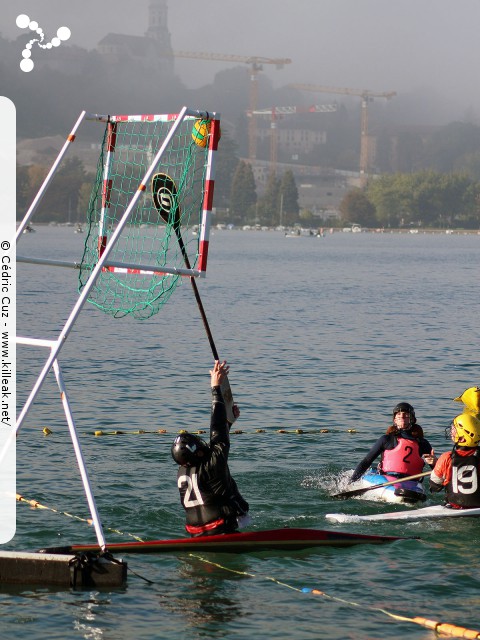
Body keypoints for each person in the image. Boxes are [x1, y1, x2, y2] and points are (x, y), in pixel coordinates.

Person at [171, 360, 249, 537]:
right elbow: (217, 432)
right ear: (197, 452)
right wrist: (215, 388)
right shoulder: (213, 464)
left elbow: (218, 440)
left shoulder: (182, 471)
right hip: (224, 526)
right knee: (242, 510)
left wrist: (227, 424)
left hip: (194, 531)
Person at [350, 402, 437, 482]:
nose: (402, 416)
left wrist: (434, 463)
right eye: (399, 414)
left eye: (406, 414)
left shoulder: (422, 443)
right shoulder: (386, 439)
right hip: (387, 479)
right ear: (395, 420)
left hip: (412, 482)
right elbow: (366, 462)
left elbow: (438, 471)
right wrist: (351, 482)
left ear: (412, 419)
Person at [430, 412, 480, 508]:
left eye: (454, 429)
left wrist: (435, 465)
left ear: (462, 438)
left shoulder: (446, 458)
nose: (451, 431)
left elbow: (435, 487)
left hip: (455, 510)